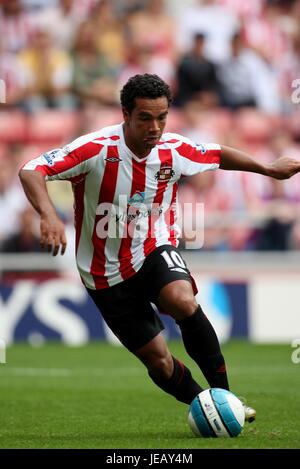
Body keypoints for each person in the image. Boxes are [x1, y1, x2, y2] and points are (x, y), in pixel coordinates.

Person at [19, 74, 300, 423]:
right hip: (103, 271)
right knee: (159, 359)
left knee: (182, 300)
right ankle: (211, 406)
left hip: (153, 245)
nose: (155, 127)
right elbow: (31, 169)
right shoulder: (95, 149)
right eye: (145, 118)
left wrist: (268, 169)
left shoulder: (173, 149)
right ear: (125, 114)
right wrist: (47, 216)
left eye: (162, 117)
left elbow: (216, 154)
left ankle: (226, 396)